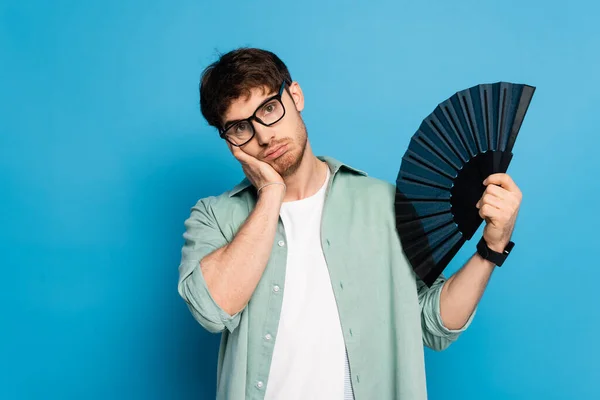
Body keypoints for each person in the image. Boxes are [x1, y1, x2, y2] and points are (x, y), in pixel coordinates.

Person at [177, 48, 523, 400]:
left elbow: (433, 325)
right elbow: (212, 310)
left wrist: (491, 248)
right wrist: (270, 193)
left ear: (295, 96)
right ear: (229, 141)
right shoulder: (214, 216)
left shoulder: (383, 204)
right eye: (240, 128)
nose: (264, 136)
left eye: (268, 108)